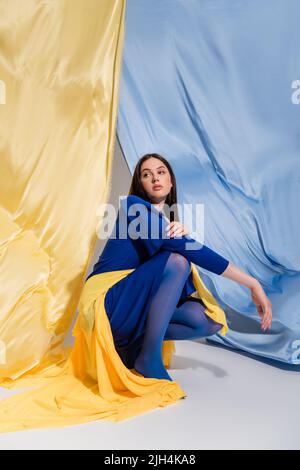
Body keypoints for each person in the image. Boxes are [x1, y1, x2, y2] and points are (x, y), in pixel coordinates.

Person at [86, 153, 273, 381]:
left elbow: (174, 252)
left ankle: (133, 345)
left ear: (171, 181)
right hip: (105, 303)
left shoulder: (165, 223)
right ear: (140, 185)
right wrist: (252, 283)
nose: (155, 177)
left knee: (207, 321)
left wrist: (177, 233)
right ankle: (148, 358)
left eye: (161, 172)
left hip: (129, 302)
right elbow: (190, 252)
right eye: (147, 174)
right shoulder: (133, 206)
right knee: (177, 260)